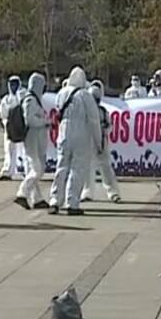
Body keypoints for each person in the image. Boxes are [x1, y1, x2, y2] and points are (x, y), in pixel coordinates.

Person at [49, 67, 101, 215]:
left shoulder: (61, 93)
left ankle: (54, 200)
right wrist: (98, 141)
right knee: (77, 169)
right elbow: (94, 120)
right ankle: (72, 202)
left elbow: (58, 110)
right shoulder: (86, 95)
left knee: (61, 167)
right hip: (81, 135)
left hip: (64, 133)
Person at [81, 80, 121, 204]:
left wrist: (103, 130)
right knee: (87, 168)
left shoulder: (103, 112)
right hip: (88, 142)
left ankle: (113, 192)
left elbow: (110, 126)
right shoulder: (84, 112)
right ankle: (87, 192)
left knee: (106, 169)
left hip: (102, 143)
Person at [14, 73, 50, 210]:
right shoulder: (30, 100)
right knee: (37, 169)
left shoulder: (35, 100)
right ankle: (22, 193)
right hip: (32, 138)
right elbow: (29, 120)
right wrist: (44, 122)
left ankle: (37, 198)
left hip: (37, 138)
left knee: (35, 167)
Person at [0, 76, 25, 181]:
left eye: (15, 84)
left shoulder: (23, 96)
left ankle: (23, 170)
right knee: (9, 149)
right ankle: (7, 171)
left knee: (23, 150)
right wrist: (6, 123)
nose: (13, 86)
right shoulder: (6, 99)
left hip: (22, 127)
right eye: (11, 84)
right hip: (10, 128)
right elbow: (3, 114)